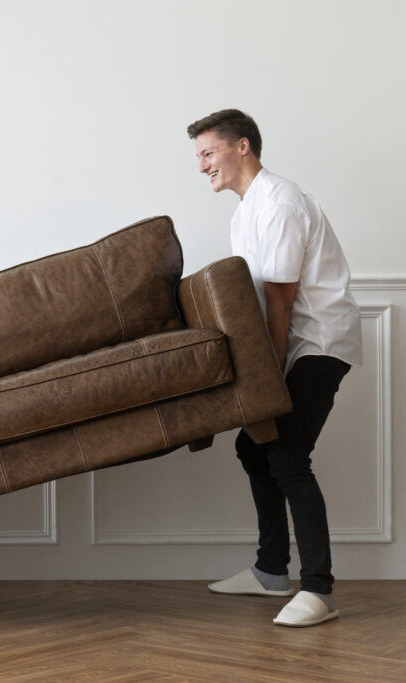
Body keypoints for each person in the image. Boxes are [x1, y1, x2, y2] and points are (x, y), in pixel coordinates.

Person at [186, 109, 363, 627]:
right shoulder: (245, 211)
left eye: (207, 153)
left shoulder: (281, 202)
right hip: (290, 343)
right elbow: (256, 306)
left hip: (317, 344)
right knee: (253, 446)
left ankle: (320, 591)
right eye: (198, 157)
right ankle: (270, 571)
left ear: (242, 147)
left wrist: (267, 384)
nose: (201, 166)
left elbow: (279, 301)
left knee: (286, 455)